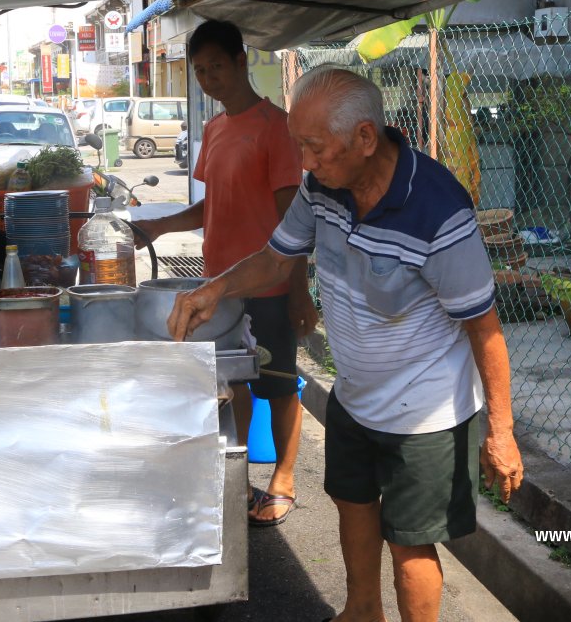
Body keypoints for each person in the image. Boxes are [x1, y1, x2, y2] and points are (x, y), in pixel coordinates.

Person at [167, 67, 524, 621]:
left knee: (409, 544)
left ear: (363, 137)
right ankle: (361, 611)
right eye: (300, 146)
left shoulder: (437, 210)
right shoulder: (322, 188)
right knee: (353, 506)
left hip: (425, 414)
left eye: (314, 147)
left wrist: (500, 432)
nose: (304, 163)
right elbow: (276, 257)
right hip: (356, 395)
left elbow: (485, 328)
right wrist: (213, 289)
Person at [132, 19, 318, 526]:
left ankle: (283, 477)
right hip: (218, 287)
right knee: (230, 382)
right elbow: (212, 206)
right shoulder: (213, 130)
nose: (209, 78)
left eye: (216, 66)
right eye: (199, 70)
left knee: (277, 384)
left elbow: (291, 221)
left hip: (271, 284)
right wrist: (157, 227)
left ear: (241, 62)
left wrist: (300, 293)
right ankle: (238, 478)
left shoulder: (276, 127)